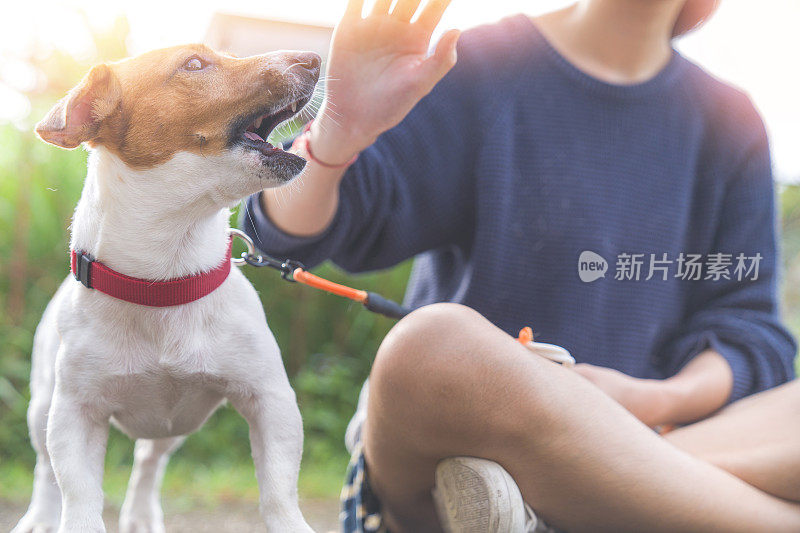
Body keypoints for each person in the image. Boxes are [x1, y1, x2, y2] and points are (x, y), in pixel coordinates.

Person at [241, 0, 799, 530]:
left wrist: (645, 399)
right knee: (431, 344)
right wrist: (337, 131)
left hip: (647, 426)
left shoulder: (731, 121)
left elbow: (748, 331)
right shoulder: (482, 66)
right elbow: (283, 235)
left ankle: (549, 507)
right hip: (466, 440)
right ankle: (629, 501)